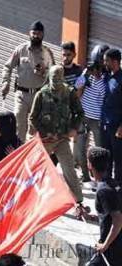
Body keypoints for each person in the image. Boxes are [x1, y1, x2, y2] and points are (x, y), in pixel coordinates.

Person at [29, 65, 85, 214]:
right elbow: (32, 118)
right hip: (46, 140)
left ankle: (78, 203)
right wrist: (45, 132)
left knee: (69, 170)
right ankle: (32, 199)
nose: (57, 83)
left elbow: (79, 113)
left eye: (60, 79)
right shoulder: (41, 94)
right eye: (54, 79)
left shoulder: (69, 93)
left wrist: (74, 128)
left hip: (61, 139)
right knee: (38, 170)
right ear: (49, 78)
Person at [2, 20, 55, 142]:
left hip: (38, 96)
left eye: (39, 33)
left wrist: (44, 72)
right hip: (21, 95)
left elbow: (55, 74)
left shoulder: (47, 52)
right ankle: (19, 153)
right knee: (19, 127)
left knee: (35, 129)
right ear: (29, 33)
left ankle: (31, 156)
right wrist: (6, 82)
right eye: (34, 33)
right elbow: (7, 66)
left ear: (43, 35)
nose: (36, 36)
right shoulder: (21, 50)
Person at [74, 44, 108, 183]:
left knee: (100, 149)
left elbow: (104, 93)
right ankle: (85, 176)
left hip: (96, 119)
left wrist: (98, 77)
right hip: (83, 116)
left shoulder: (106, 77)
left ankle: (101, 178)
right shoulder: (88, 72)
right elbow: (77, 86)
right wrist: (86, 75)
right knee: (81, 147)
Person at [86, 146, 122, 266]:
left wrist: (104, 245)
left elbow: (118, 220)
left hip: (112, 248)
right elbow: (112, 213)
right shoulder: (113, 184)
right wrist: (90, 217)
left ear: (90, 165)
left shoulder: (103, 190)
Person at [101, 48, 122, 184]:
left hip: (117, 126)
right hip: (105, 124)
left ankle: (119, 186)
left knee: (119, 158)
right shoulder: (107, 76)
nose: (104, 63)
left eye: (106, 60)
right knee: (106, 156)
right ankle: (106, 183)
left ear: (115, 61)